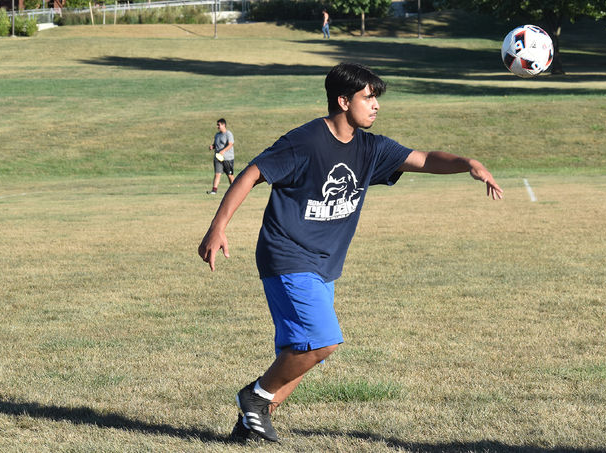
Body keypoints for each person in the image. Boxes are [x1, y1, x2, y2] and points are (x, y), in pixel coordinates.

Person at [197, 63, 503, 442]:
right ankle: (254, 398)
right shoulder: (306, 141)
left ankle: (249, 427)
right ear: (343, 100)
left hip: (325, 264)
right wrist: (218, 227)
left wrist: (467, 164)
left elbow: (423, 159)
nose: (376, 106)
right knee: (323, 340)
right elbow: (252, 173)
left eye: (376, 98)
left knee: (302, 351)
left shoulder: (371, 148)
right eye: (368, 97)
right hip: (287, 254)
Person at [207, 118, 235, 194]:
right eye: (217, 125)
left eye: (219, 125)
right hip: (218, 158)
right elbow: (216, 144)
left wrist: (223, 151)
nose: (217, 126)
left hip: (227, 158)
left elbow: (230, 144)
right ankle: (214, 190)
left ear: (224, 125)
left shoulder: (228, 134)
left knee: (230, 175)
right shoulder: (217, 135)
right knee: (217, 174)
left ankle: (234, 189)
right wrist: (212, 146)